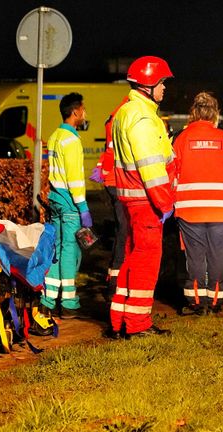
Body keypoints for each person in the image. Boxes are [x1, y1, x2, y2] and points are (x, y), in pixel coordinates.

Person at [108, 55, 176, 339]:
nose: (165, 88)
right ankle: (137, 325)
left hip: (133, 198)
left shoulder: (127, 112)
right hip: (146, 199)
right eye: (162, 83)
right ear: (148, 84)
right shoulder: (143, 117)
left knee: (132, 257)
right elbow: (151, 166)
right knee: (147, 260)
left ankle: (120, 319)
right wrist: (165, 202)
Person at [172, 92, 223, 315]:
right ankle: (216, 300)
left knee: (195, 255)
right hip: (221, 208)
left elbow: (172, 175)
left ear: (194, 113)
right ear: (214, 114)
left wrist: (173, 202)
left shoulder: (181, 139)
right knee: (218, 254)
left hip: (190, 208)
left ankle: (196, 302)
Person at [39, 92, 93, 327]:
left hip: (55, 201)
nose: (85, 113)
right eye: (83, 109)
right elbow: (74, 178)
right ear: (75, 112)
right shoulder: (72, 141)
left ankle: (48, 301)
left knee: (57, 250)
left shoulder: (54, 136)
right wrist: (83, 207)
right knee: (71, 251)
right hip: (70, 203)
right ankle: (69, 304)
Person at [89, 95, 130, 302]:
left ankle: (116, 278)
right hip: (122, 180)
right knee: (125, 231)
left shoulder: (116, 114)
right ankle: (117, 283)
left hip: (115, 180)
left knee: (122, 230)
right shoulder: (128, 114)